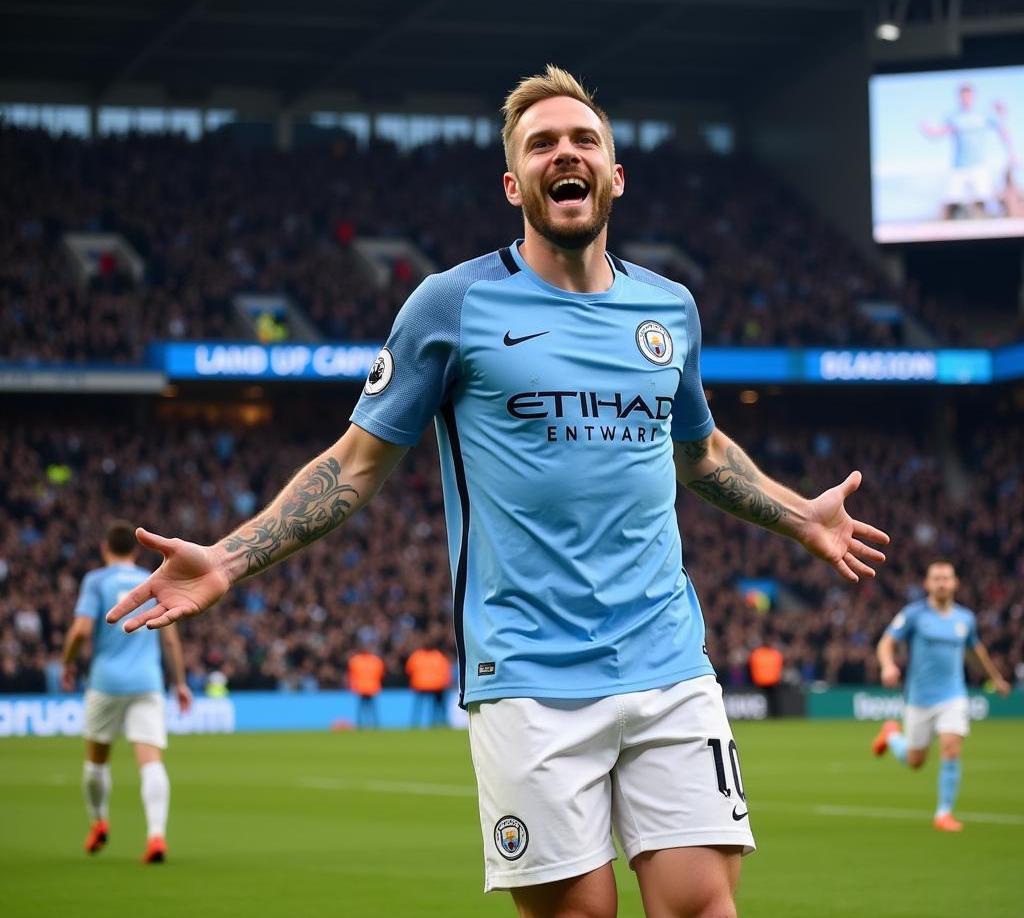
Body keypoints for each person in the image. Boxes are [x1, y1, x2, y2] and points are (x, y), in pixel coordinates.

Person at [106, 66, 889, 918]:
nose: (567, 153)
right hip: (528, 674)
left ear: (615, 176)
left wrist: (798, 516)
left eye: (585, 140)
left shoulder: (671, 310)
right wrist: (227, 556)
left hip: (670, 662)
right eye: (543, 143)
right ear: (515, 184)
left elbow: (700, 456)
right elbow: (356, 464)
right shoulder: (454, 304)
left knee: (703, 906)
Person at [62, 519, 192, 864]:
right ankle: (156, 837)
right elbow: (169, 636)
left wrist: (67, 663)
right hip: (147, 682)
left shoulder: (95, 581)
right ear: (135, 551)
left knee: (96, 762)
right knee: (150, 762)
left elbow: (80, 631)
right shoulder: (151, 581)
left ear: (105, 548)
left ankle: (99, 820)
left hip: (105, 683)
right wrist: (179, 682)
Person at [872, 560, 1011, 832]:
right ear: (927, 584)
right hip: (919, 699)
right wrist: (888, 665)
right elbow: (886, 642)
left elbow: (975, 652)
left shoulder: (965, 619)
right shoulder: (914, 615)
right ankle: (891, 735)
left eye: (946, 578)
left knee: (951, 747)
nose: (942, 583)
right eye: (936, 578)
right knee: (915, 761)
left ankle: (944, 813)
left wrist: (995, 678)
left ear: (955, 583)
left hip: (953, 696)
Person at [920, 83, 1016, 220]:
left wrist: (1011, 153)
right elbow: (941, 132)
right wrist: (928, 131)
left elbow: (1002, 130)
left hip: (979, 164)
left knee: (985, 199)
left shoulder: (983, 115)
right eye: (963, 96)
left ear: (973, 96)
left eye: (968, 95)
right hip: (959, 166)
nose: (966, 99)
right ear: (959, 97)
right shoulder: (954, 117)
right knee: (951, 201)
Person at [405, 640, 451, 727]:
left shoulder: (416, 656)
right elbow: (445, 671)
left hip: (420, 685)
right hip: (436, 686)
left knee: (418, 706)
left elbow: (408, 670)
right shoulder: (439, 656)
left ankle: (415, 723)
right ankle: (440, 723)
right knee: (439, 707)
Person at [347, 649, 385, 728]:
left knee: (361, 708)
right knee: (372, 708)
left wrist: (353, 686)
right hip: (372, 687)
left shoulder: (355, 660)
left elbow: (351, 674)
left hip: (360, 687)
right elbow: (381, 673)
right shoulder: (375, 660)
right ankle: (375, 725)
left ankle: (360, 725)